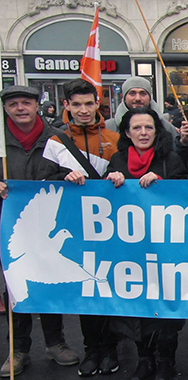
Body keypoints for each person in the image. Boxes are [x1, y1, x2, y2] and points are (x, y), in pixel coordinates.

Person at [41, 78, 121, 377]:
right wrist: (63, 177)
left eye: (89, 104)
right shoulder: (56, 142)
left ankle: (110, 347)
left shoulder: (113, 138)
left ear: (98, 104)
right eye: (77, 104)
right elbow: (42, 183)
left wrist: (117, 176)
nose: (83, 110)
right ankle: (93, 349)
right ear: (66, 106)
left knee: (108, 286)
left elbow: (123, 173)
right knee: (87, 288)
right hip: (75, 229)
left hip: (108, 229)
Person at [0, 85, 79, 377]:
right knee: (15, 287)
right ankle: (17, 349)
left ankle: (55, 342)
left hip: (46, 226)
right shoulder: (1, 142)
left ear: (37, 106)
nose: (20, 108)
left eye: (26, 103)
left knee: (47, 282)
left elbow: (71, 172)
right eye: (13, 104)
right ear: (6, 109)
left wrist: (71, 176)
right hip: (9, 230)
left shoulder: (56, 138)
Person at [102, 106, 187, 380]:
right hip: (130, 249)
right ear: (126, 132)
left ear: (157, 131)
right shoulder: (117, 160)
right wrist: (110, 183)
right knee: (136, 305)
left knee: (164, 307)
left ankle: (166, 360)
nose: (143, 132)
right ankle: (144, 357)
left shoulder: (170, 160)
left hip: (164, 248)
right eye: (137, 128)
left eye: (148, 127)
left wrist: (163, 185)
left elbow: (187, 197)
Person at [103, 76, 178, 140]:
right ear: (124, 98)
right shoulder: (108, 127)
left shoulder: (166, 127)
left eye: (143, 93)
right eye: (132, 93)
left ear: (150, 98)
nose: (138, 98)